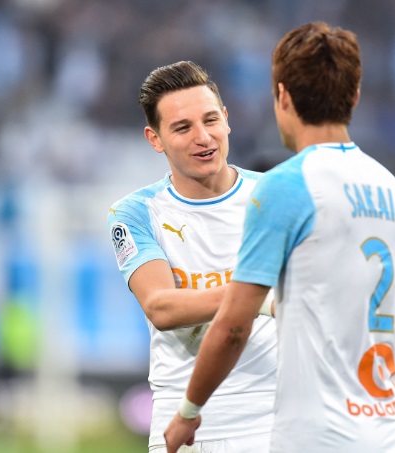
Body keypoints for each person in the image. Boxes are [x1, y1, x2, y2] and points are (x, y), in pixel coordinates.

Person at [164, 22, 395, 453]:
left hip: (320, 438)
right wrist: (393, 397)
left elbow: (233, 325)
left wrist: (188, 412)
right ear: (354, 96)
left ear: (282, 95)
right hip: (387, 433)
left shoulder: (287, 185)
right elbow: (350, 323)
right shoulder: (389, 187)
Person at [107, 61, 278, 452]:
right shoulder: (135, 212)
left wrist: (382, 391)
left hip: (275, 416)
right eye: (183, 128)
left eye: (210, 120)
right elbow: (161, 307)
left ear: (227, 120)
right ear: (155, 139)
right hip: (185, 425)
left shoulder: (277, 195)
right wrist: (258, 298)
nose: (203, 137)